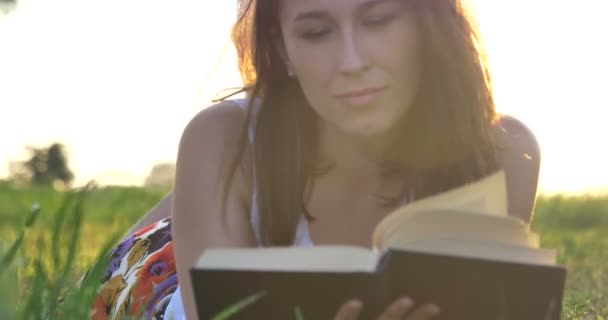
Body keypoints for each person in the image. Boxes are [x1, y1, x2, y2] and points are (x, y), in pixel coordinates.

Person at [92, 0, 542, 319]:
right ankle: (177, 213)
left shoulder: (503, 155)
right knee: (140, 259)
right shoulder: (218, 138)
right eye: (316, 32)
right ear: (283, 46)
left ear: (430, 25)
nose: (352, 61)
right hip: (158, 284)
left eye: (379, 19)